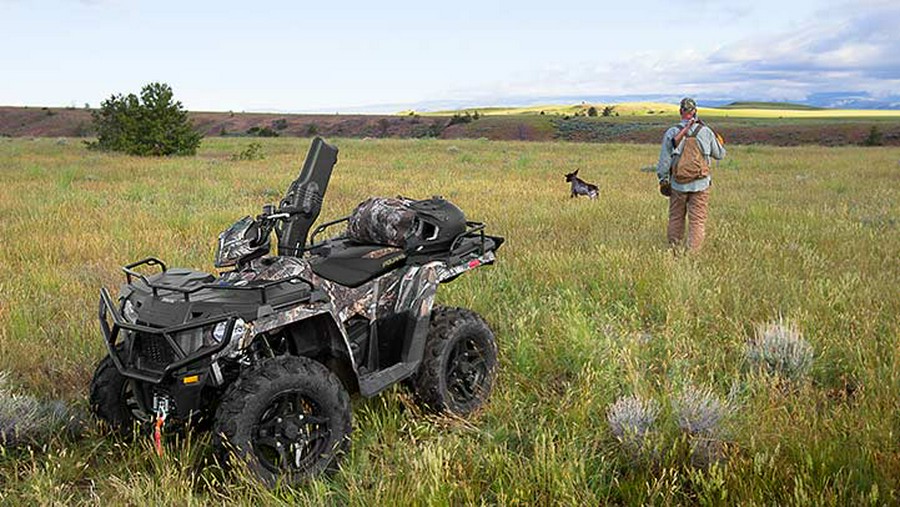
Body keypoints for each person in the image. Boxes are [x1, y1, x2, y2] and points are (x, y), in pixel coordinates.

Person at [656, 97, 726, 251]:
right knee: (697, 221)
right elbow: (720, 154)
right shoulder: (706, 131)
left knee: (676, 218)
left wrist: (663, 179)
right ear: (694, 112)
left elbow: (664, 162)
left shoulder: (672, 132)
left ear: (680, 111)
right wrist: (719, 141)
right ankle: (692, 255)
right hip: (701, 185)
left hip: (677, 184)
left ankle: (674, 250)